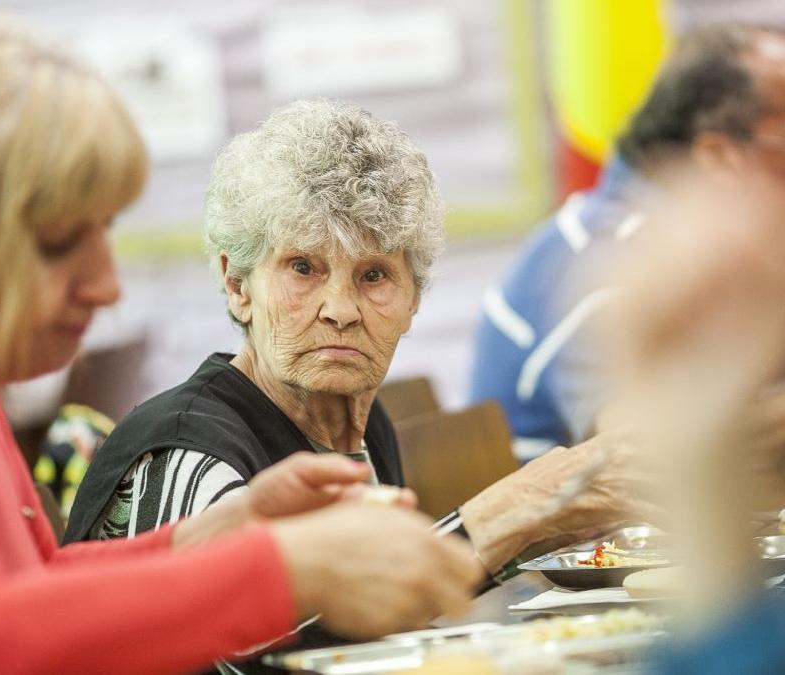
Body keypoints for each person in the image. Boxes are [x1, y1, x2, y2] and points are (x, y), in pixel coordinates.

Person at [0, 18, 484, 675]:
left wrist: (224, 528)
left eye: (104, 232)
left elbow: (38, 583)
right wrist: (288, 569)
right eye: (60, 243)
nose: (107, 285)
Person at [65, 100, 654, 638]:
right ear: (236, 283)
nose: (341, 311)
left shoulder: (362, 427)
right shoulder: (190, 457)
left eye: (374, 275)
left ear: (413, 299)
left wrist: (542, 525)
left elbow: (368, 630)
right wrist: (514, 507)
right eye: (303, 268)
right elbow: (252, 656)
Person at [469, 23, 785, 467]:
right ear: (720, 157)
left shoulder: (776, 245)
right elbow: (651, 459)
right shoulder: (604, 257)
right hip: (583, 538)